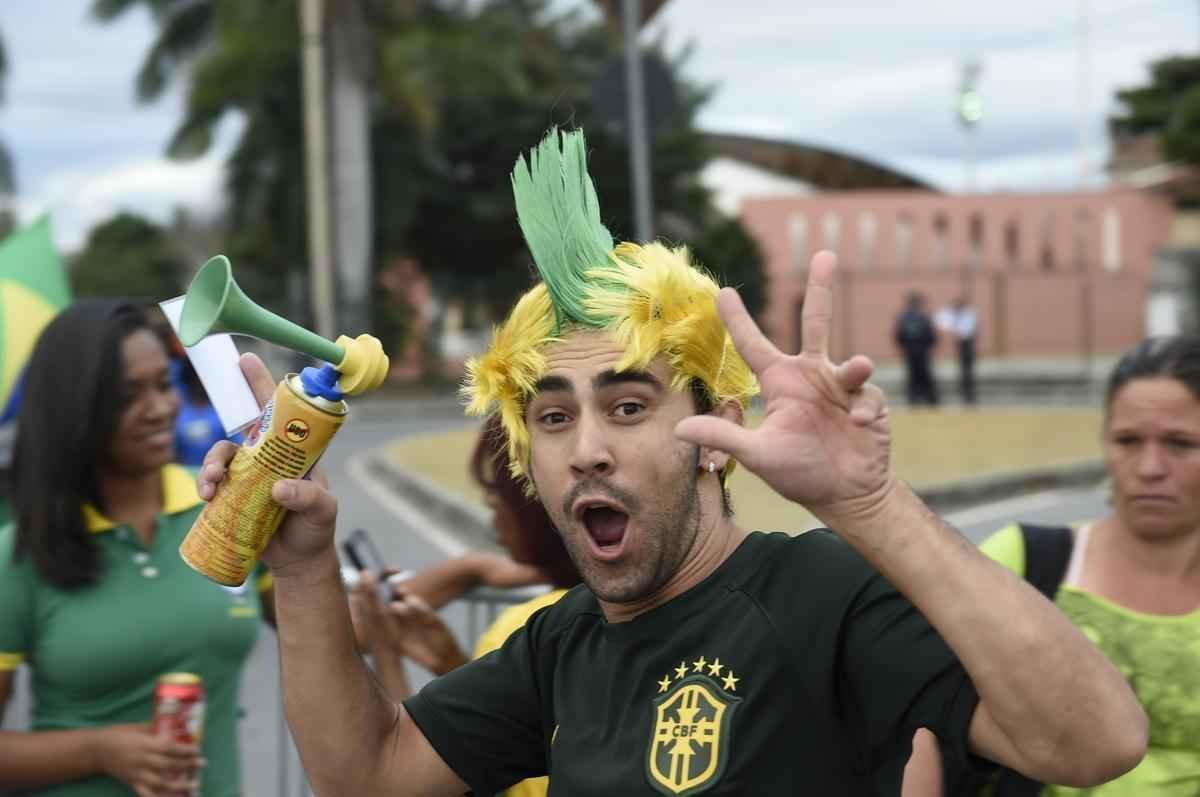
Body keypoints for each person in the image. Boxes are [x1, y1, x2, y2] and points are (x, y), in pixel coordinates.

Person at [198, 129, 1147, 795]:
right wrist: (305, 563)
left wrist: (870, 502)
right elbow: (366, 777)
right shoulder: (557, 644)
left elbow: (1097, 740)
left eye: (629, 404)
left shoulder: (823, 594)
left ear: (717, 431)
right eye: (554, 416)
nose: (589, 448)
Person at [0, 299, 275, 797]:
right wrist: (99, 750)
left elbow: (336, 627)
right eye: (128, 396)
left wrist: (442, 581)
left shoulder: (226, 503)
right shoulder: (17, 554)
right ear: (75, 409)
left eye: (164, 384)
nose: (160, 408)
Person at [905, 335, 1200, 796]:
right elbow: (917, 717)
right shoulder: (1024, 564)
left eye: (1180, 444)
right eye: (1128, 440)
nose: (1150, 467)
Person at [350, 415, 581, 797]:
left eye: (497, 497)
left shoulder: (529, 627)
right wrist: (453, 667)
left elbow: (408, 780)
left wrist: (386, 648)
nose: (494, 518)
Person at [896, 291, 940, 406]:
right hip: (921, 351)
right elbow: (931, 336)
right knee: (923, 375)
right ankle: (928, 399)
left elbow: (899, 336)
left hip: (913, 351)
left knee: (915, 375)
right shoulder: (922, 317)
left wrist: (905, 347)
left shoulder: (905, 317)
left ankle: (916, 399)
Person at [937, 296, 978, 405]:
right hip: (963, 345)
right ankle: (966, 394)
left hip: (967, 345)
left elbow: (966, 330)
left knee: (967, 372)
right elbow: (942, 319)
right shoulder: (959, 315)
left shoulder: (968, 315)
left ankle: (969, 395)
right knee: (965, 371)